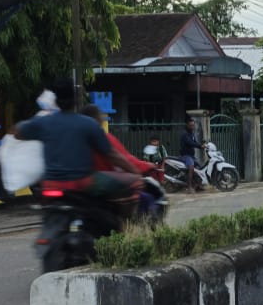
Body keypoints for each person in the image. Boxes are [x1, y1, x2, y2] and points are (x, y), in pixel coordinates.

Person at [14, 90, 143, 202]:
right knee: (134, 181)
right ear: (74, 102)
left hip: (50, 183)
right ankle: (126, 225)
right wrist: (136, 172)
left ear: (56, 102)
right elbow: (113, 155)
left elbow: (18, 132)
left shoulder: (44, 123)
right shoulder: (88, 125)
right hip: (81, 182)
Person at [79, 105, 159, 217]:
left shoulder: (76, 139)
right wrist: (145, 166)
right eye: (100, 116)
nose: (102, 119)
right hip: (104, 185)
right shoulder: (103, 137)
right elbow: (125, 159)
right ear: (96, 119)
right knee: (147, 197)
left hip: (77, 185)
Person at [177, 117, 206, 193]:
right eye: (191, 125)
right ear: (187, 125)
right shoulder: (185, 134)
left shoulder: (191, 133)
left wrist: (202, 145)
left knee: (199, 167)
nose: (192, 127)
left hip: (191, 156)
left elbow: (195, 142)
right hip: (185, 156)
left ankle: (198, 185)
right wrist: (200, 146)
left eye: (193, 125)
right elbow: (190, 143)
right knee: (191, 167)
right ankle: (189, 187)